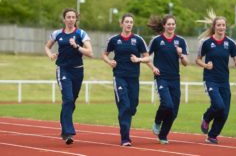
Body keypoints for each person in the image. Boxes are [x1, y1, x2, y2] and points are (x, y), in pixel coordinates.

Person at [44, 8, 93, 145]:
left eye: (73, 17)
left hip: (78, 71)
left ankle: (64, 126)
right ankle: (67, 132)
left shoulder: (81, 33)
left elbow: (90, 52)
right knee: (68, 98)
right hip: (63, 70)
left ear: (76, 19)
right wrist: (50, 55)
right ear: (64, 19)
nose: (71, 19)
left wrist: (76, 46)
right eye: (68, 17)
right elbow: (47, 47)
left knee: (71, 101)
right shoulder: (57, 33)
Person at [101, 13, 150, 146]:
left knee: (132, 106)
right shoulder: (114, 40)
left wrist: (138, 59)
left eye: (131, 22)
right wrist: (110, 61)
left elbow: (148, 57)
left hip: (133, 79)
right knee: (124, 105)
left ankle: (127, 113)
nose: (129, 24)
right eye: (126, 22)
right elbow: (104, 55)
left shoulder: (138, 40)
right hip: (119, 77)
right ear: (121, 23)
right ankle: (125, 138)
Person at [195, 10, 236, 144]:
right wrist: (205, 65)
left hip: (224, 81)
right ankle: (206, 117)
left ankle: (212, 135)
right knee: (219, 105)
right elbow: (197, 60)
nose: (221, 27)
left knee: (225, 112)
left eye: (223, 25)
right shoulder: (206, 42)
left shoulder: (231, 43)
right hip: (210, 80)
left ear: (226, 27)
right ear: (214, 27)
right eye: (219, 25)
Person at [147, 14, 189, 144]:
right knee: (167, 104)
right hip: (161, 77)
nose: (171, 26)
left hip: (175, 79)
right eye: (169, 24)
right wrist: (153, 68)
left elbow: (186, 63)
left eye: (173, 24)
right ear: (164, 25)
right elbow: (146, 57)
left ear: (175, 26)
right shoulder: (157, 40)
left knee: (174, 111)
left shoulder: (181, 41)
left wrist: (181, 55)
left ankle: (163, 135)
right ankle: (158, 121)